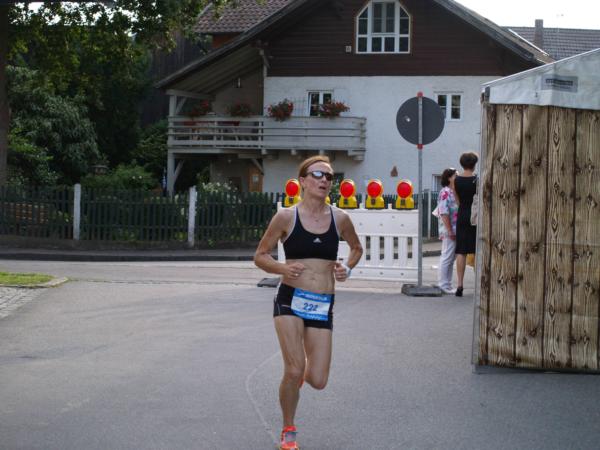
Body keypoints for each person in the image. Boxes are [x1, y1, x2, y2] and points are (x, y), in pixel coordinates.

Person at [254, 155, 363, 450]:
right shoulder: (286, 217)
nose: (324, 180)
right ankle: (288, 429)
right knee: (293, 369)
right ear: (302, 181)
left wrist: (347, 268)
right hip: (290, 299)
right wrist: (282, 268)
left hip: (322, 303)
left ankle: (299, 374)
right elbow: (260, 255)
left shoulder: (340, 218)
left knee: (318, 379)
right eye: (317, 174)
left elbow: (356, 248)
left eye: (329, 176)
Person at [454, 151, 479, 297]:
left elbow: (457, 201)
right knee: (477, 250)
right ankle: (479, 284)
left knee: (461, 251)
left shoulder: (456, 180)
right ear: (474, 164)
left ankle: (460, 285)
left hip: (462, 214)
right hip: (475, 216)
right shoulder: (477, 180)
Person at [436, 168, 459, 294]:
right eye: (456, 175)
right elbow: (444, 212)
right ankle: (443, 285)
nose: (458, 177)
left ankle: (447, 284)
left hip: (454, 229)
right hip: (449, 229)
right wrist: (450, 230)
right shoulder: (445, 192)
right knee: (447, 257)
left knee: (450, 258)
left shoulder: (453, 191)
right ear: (449, 178)